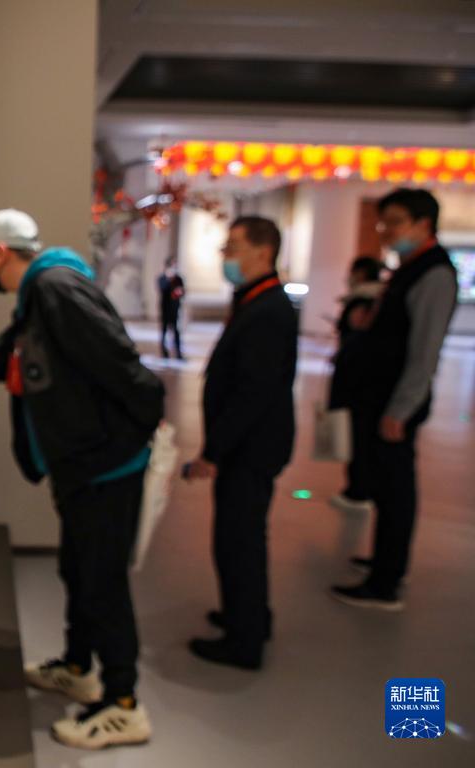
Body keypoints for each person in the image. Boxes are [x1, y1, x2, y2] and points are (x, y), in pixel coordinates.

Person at [0, 209, 164, 749]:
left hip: (105, 468)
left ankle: (123, 705)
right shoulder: (36, 298)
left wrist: (136, 430)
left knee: (102, 582)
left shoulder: (55, 289)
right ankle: (78, 668)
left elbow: (121, 364)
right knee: (79, 570)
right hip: (80, 468)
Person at [331, 189, 458, 611]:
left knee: (396, 488)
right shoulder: (408, 268)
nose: (386, 230)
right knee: (385, 488)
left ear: (423, 224)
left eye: (395, 222)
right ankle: (385, 561)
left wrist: (400, 409)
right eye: (384, 222)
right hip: (377, 396)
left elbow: (424, 352)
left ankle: (386, 581)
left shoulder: (434, 274)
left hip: (393, 403)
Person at [184, 216, 298, 670]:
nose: (225, 257)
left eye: (233, 247)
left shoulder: (268, 309)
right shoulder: (255, 300)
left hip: (252, 446)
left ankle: (243, 640)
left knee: (238, 540)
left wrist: (214, 451)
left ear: (263, 253)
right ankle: (247, 615)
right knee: (243, 535)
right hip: (250, 443)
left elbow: (252, 392)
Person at [328, 256, 385, 515]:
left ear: (360, 273)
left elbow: (357, 333)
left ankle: (358, 490)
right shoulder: (378, 297)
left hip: (357, 379)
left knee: (358, 435)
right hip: (366, 378)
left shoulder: (364, 300)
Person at [157, 258, 186, 360]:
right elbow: (162, 289)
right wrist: (169, 280)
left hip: (175, 308)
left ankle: (178, 352)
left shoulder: (178, 279)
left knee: (176, 330)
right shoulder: (162, 278)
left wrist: (179, 292)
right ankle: (164, 352)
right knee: (164, 330)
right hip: (165, 308)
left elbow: (182, 292)